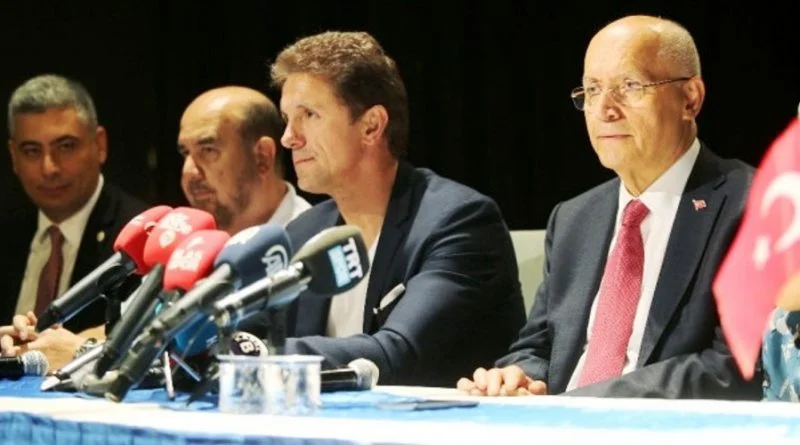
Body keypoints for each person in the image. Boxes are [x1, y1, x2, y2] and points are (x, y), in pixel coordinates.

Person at [457, 15, 761, 399]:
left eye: (630, 86)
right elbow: (540, 346)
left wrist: (589, 403)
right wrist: (519, 375)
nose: (605, 109)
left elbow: (733, 365)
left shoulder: (749, 205)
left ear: (690, 98)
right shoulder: (574, 218)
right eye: (592, 90)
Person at [241, 31, 526, 387]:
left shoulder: (458, 221)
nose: (288, 137)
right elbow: (248, 330)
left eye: (309, 115)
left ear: (372, 126)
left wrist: (255, 356)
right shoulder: (303, 233)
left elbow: (397, 354)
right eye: (286, 119)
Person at [0, 74, 147, 369]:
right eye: (32, 151)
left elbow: (145, 339)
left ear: (99, 145)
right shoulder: (8, 231)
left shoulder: (141, 234)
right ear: (13, 156)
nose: (49, 168)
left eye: (65, 146)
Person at [178, 86, 311, 233]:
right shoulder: (184, 242)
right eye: (185, 152)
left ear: (262, 157)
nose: (188, 172)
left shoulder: (313, 241)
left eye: (208, 150)